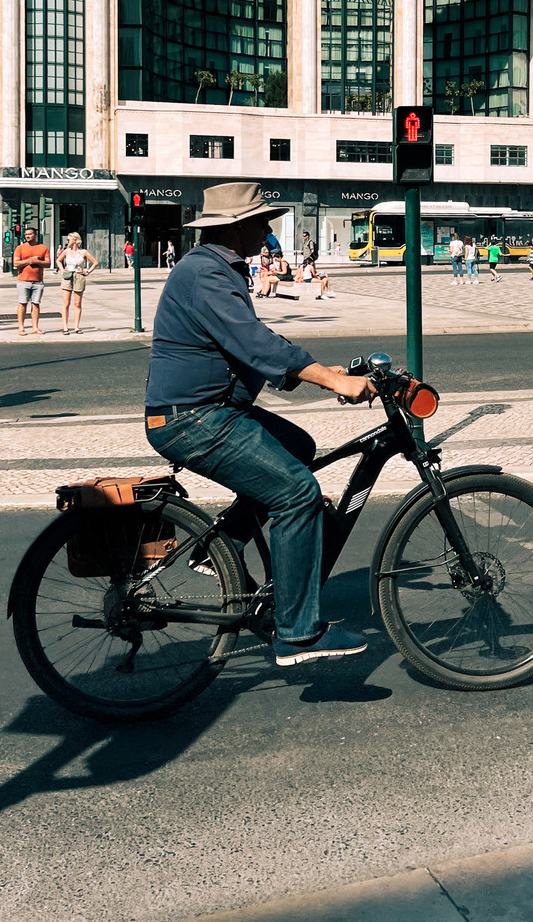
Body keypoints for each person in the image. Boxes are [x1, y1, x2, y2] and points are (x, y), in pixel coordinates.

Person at [146, 181, 374, 667]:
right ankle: (297, 634)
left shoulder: (220, 268)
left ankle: (221, 549)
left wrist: (328, 374)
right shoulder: (204, 274)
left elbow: (251, 352)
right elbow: (253, 342)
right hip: (192, 418)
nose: (269, 229)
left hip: (213, 409)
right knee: (298, 495)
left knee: (298, 445)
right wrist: (329, 381)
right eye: (262, 221)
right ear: (237, 227)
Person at [57, 232, 98, 335]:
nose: (67, 242)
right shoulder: (66, 252)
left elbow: (95, 262)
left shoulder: (83, 252)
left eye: (68, 240)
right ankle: (65, 327)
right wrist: (62, 270)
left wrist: (87, 272)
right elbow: (58, 261)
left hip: (79, 276)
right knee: (66, 303)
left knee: (77, 303)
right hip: (68, 276)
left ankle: (76, 327)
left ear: (75, 240)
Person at [14, 225, 50, 335]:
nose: (27, 236)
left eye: (30, 234)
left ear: (35, 235)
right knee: (22, 303)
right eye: (26, 235)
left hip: (38, 281)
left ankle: (35, 327)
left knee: (36, 303)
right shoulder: (20, 248)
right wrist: (29, 261)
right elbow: (16, 263)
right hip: (23, 280)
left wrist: (37, 261)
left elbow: (48, 263)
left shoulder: (43, 248)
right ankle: (21, 327)